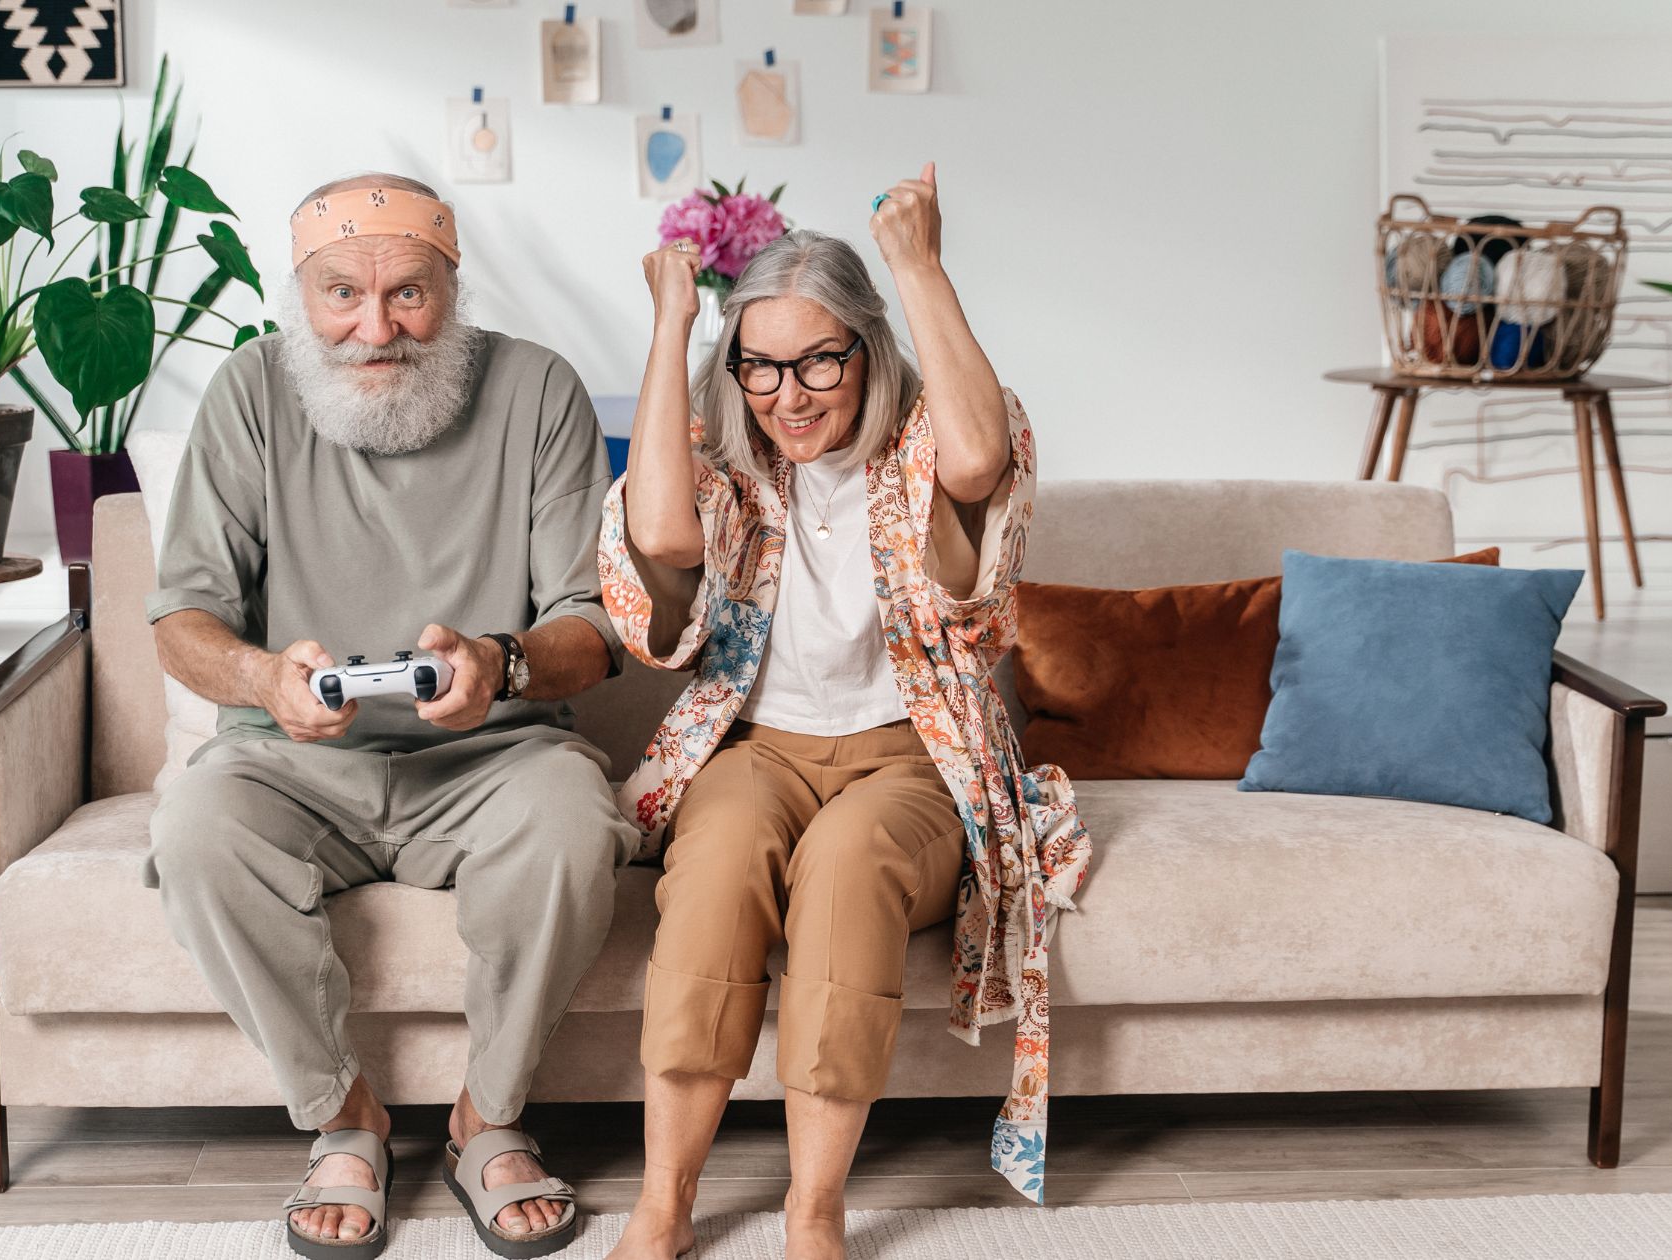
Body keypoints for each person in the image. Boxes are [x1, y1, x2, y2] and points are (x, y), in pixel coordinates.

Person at [598, 165, 1092, 1260]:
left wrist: (917, 263)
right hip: (756, 749)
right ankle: (662, 1206)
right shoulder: (730, 474)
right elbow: (664, 541)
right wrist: (675, 319)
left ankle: (811, 1211)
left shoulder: (920, 456)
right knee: (718, 860)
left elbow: (978, 454)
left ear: (868, 350)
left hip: (909, 760)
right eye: (761, 366)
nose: (791, 391)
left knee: (846, 863)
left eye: (820, 356)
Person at [143, 171, 638, 1260]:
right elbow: (182, 617)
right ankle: (341, 1117)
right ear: (299, 296)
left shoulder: (537, 389)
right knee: (195, 828)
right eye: (341, 297)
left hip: (494, 754)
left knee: (570, 819)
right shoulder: (246, 392)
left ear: (452, 289)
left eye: (409, 295)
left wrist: (503, 665)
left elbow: (592, 626)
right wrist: (265, 679)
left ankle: (489, 1117)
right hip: (291, 758)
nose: (376, 329)